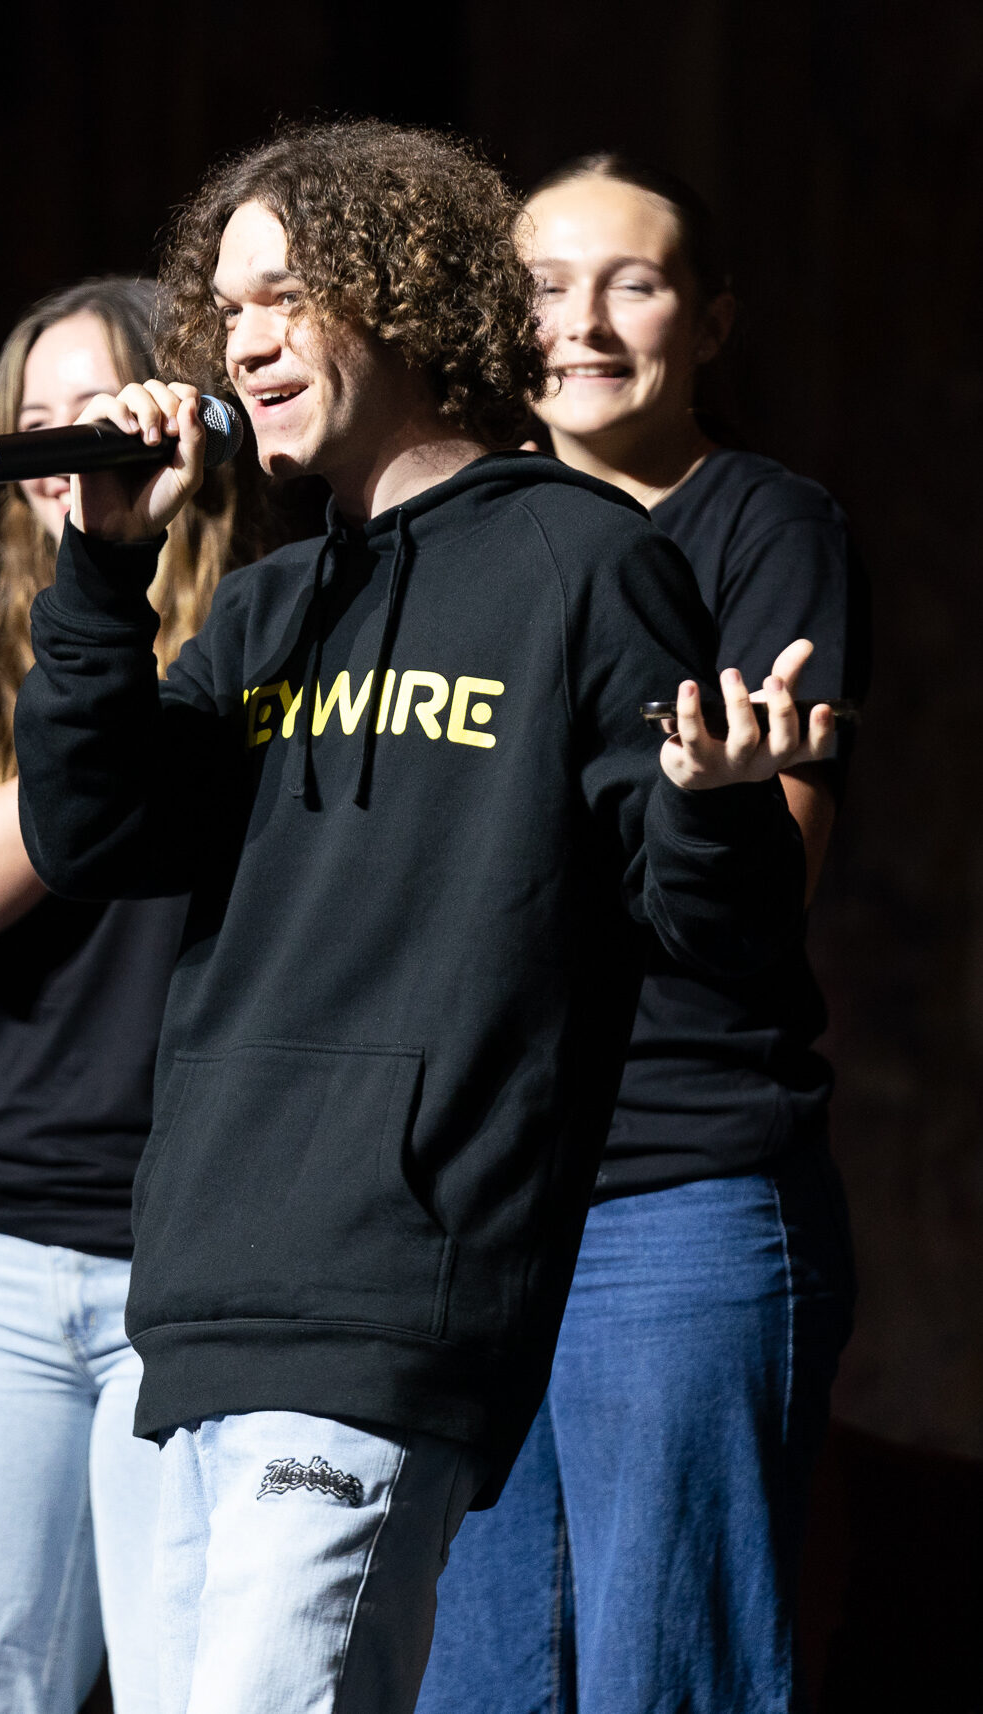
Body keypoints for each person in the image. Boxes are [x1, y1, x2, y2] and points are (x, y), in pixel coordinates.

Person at [11, 120, 832, 1714]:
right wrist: (103, 579)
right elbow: (91, 830)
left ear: (398, 295)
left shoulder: (587, 564)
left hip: (393, 1289)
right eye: (223, 308)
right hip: (197, 1300)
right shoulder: (263, 603)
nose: (237, 341)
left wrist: (715, 800)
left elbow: (712, 931)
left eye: (280, 297)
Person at [417, 155, 868, 1714]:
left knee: (662, 1680)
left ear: (711, 319)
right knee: (477, 1687)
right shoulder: (458, 538)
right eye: (544, 285)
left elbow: (761, 891)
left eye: (638, 282)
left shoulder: (761, 526)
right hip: (481, 1203)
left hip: (676, 1187)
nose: (585, 325)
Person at [0, 277, 247, 1714]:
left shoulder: (262, 654)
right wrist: (100, 705)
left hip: (196, 1257)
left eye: (93, 412)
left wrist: (173, 685)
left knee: (198, 1684)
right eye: (30, 424)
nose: (56, 450)